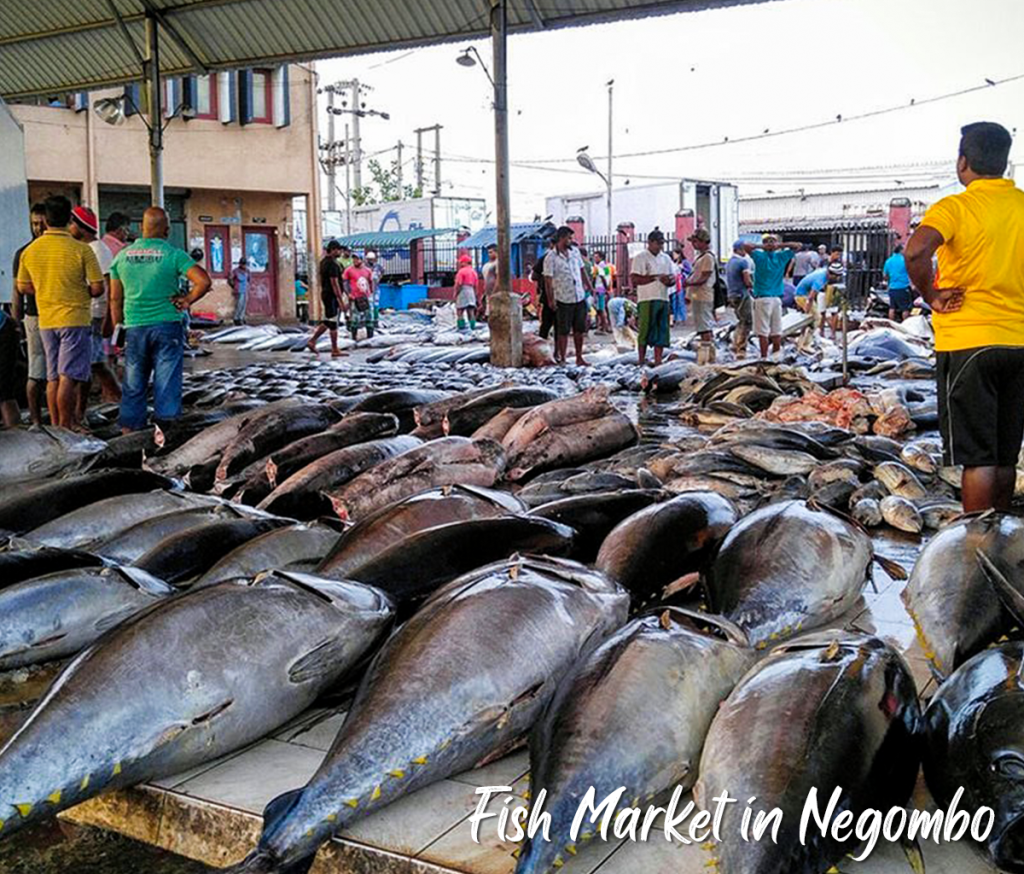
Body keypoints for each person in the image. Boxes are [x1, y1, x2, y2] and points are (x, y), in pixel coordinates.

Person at [905, 121, 1024, 512]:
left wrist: (932, 294)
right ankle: (1003, 537)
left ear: (963, 163)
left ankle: (972, 549)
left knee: (978, 458)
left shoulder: (956, 206)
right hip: (1019, 342)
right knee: (1006, 454)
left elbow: (916, 251)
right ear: (1005, 163)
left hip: (969, 342)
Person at [109, 207, 211, 433]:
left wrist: (119, 327)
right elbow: (203, 281)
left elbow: (115, 299)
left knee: (134, 383)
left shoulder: (122, 257)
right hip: (167, 326)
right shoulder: (173, 254)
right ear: (167, 230)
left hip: (134, 326)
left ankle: (130, 433)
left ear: (140, 228)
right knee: (166, 383)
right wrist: (187, 300)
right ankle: (164, 433)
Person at [16, 195, 104, 431]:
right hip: (74, 319)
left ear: (45, 220)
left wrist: (46, 288)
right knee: (68, 376)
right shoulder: (81, 250)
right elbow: (98, 287)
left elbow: (22, 286)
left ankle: (56, 424)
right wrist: (76, 288)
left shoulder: (30, 251)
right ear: (68, 219)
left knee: (53, 376)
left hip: (46, 321)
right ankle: (66, 426)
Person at [68, 206, 120, 414]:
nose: (70, 227)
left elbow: (108, 284)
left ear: (82, 227)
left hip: (94, 314)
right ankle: (120, 398)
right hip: (91, 313)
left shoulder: (97, 250)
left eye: (72, 223)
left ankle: (81, 410)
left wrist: (109, 317)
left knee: (89, 364)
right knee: (96, 363)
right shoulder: (87, 248)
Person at [12, 202, 48, 424]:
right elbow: (16, 290)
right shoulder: (24, 253)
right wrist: (16, 321)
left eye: (41, 223)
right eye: (34, 223)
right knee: (36, 370)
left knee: (57, 373)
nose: (37, 228)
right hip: (34, 315)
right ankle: (36, 421)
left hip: (58, 315)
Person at [741, 234, 802, 359]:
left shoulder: (759, 256)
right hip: (777, 299)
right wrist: (778, 245)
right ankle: (776, 356)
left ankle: (764, 358)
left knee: (763, 331)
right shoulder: (781, 256)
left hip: (763, 298)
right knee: (776, 330)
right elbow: (798, 246)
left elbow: (745, 246)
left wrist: (763, 246)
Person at [544, 226, 592, 366]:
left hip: (579, 295)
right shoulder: (550, 257)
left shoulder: (575, 252)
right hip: (563, 297)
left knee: (579, 329)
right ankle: (563, 358)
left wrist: (589, 286)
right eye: (569, 238)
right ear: (561, 238)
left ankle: (579, 357)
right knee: (563, 330)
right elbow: (548, 280)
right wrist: (551, 299)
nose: (571, 240)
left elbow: (582, 270)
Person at [629, 227, 676, 366]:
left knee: (661, 330)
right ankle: (641, 359)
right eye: (658, 243)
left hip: (663, 298)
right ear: (650, 242)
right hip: (646, 299)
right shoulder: (640, 257)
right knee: (644, 329)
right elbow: (635, 279)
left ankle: (658, 360)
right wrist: (656, 278)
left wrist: (669, 281)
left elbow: (671, 277)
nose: (661, 246)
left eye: (662, 243)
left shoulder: (666, 258)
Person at [683, 228, 718, 364]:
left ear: (704, 242)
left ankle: (706, 358)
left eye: (696, 241)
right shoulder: (702, 257)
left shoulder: (708, 257)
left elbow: (704, 277)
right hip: (698, 295)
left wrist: (689, 282)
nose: (693, 244)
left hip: (703, 295)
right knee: (702, 326)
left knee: (704, 328)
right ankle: (707, 355)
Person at [307, 240, 346, 357]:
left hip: (326, 294)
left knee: (328, 321)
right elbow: (334, 283)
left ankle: (313, 341)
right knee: (333, 323)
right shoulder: (332, 264)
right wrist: (340, 299)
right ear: (333, 250)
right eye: (339, 250)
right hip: (331, 296)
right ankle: (334, 349)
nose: (340, 252)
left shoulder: (324, 262)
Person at [725, 240, 754, 358]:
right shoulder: (743, 262)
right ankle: (740, 347)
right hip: (742, 294)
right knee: (747, 321)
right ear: (739, 250)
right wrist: (753, 286)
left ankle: (735, 343)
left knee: (740, 320)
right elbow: (747, 281)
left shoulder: (730, 262)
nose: (745, 252)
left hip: (732, 294)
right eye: (744, 249)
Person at [343, 252, 375, 341]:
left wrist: (371, 293)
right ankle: (354, 337)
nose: (355, 260)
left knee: (369, 316)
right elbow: (345, 282)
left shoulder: (368, 270)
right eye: (353, 258)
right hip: (354, 297)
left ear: (361, 259)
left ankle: (370, 337)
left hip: (366, 296)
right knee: (355, 318)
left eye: (357, 258)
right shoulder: (348, 270)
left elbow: (371, 282)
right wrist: (348, 294)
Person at [532, 239, 557, 340]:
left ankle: (557, 350)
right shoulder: (546, 258)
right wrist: (545, 279)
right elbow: (534, 276)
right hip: (548, 295)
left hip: (561, 295)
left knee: (552, 324)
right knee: (547, 323)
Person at [883, 244, 913, 322]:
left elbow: (885, 275)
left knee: (892, 308)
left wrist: (891, 280)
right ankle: (906, 325)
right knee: (905, 308)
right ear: (901, 250)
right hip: (903, 287)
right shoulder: (904, 260)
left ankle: (891, 324)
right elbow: (911, 272)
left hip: (892, 288)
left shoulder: (888, 261)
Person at [454, 254, 479, 331]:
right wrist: (475, 294)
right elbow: (476, 285)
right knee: (471, 311)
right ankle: (473, 328)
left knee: (460, 311)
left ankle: (461, 328)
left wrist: (456, 293)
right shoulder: (474, 272)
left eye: (461, 262)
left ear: (465, 262)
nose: (460, 264)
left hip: (463, 291)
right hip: (471, 291)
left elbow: (459, 284)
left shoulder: (461, 272)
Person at [591, 250, 614, 334]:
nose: (595, 258)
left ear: (601, 257)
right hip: (603, 289)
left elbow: (602, 278)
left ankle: (604, 327)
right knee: (600, 309)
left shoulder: (600, 266)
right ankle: (603, 326)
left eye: (596, 257)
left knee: (601, 309)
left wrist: (605, 288)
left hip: (600, 289)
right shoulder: (605, 266)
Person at [669, 249, 689, 327]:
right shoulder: (673, 264)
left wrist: (683, 269)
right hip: (675, 285)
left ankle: (681, 318)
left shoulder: (684, 262)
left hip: (680, 284)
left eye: (675, 254)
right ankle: (676, 318)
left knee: (680, 301)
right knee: (674, 302)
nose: (674, 256)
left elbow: (689, 271)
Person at [228, 257, 249, 326]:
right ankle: (236, 318)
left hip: (245, 289)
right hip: (239, 289)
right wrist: (234, 286)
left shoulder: (247, 271)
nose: (244, 266)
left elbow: (248, 279)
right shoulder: (236, 271)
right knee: (239, 304)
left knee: (244, 304)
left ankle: (241, 317)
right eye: (243, 264)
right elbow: (230, 279)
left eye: (245, 264)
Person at [365, 251, 383, 332]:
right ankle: (369, 321)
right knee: (369, 306)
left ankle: (375, 320)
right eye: (369, 259)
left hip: (376, 288)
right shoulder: (364, 267)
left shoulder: (378, 266)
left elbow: (382, 272)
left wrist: (379, 278)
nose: (370, 261)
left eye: (372, 259)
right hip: (367, 289)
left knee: (376, 305)